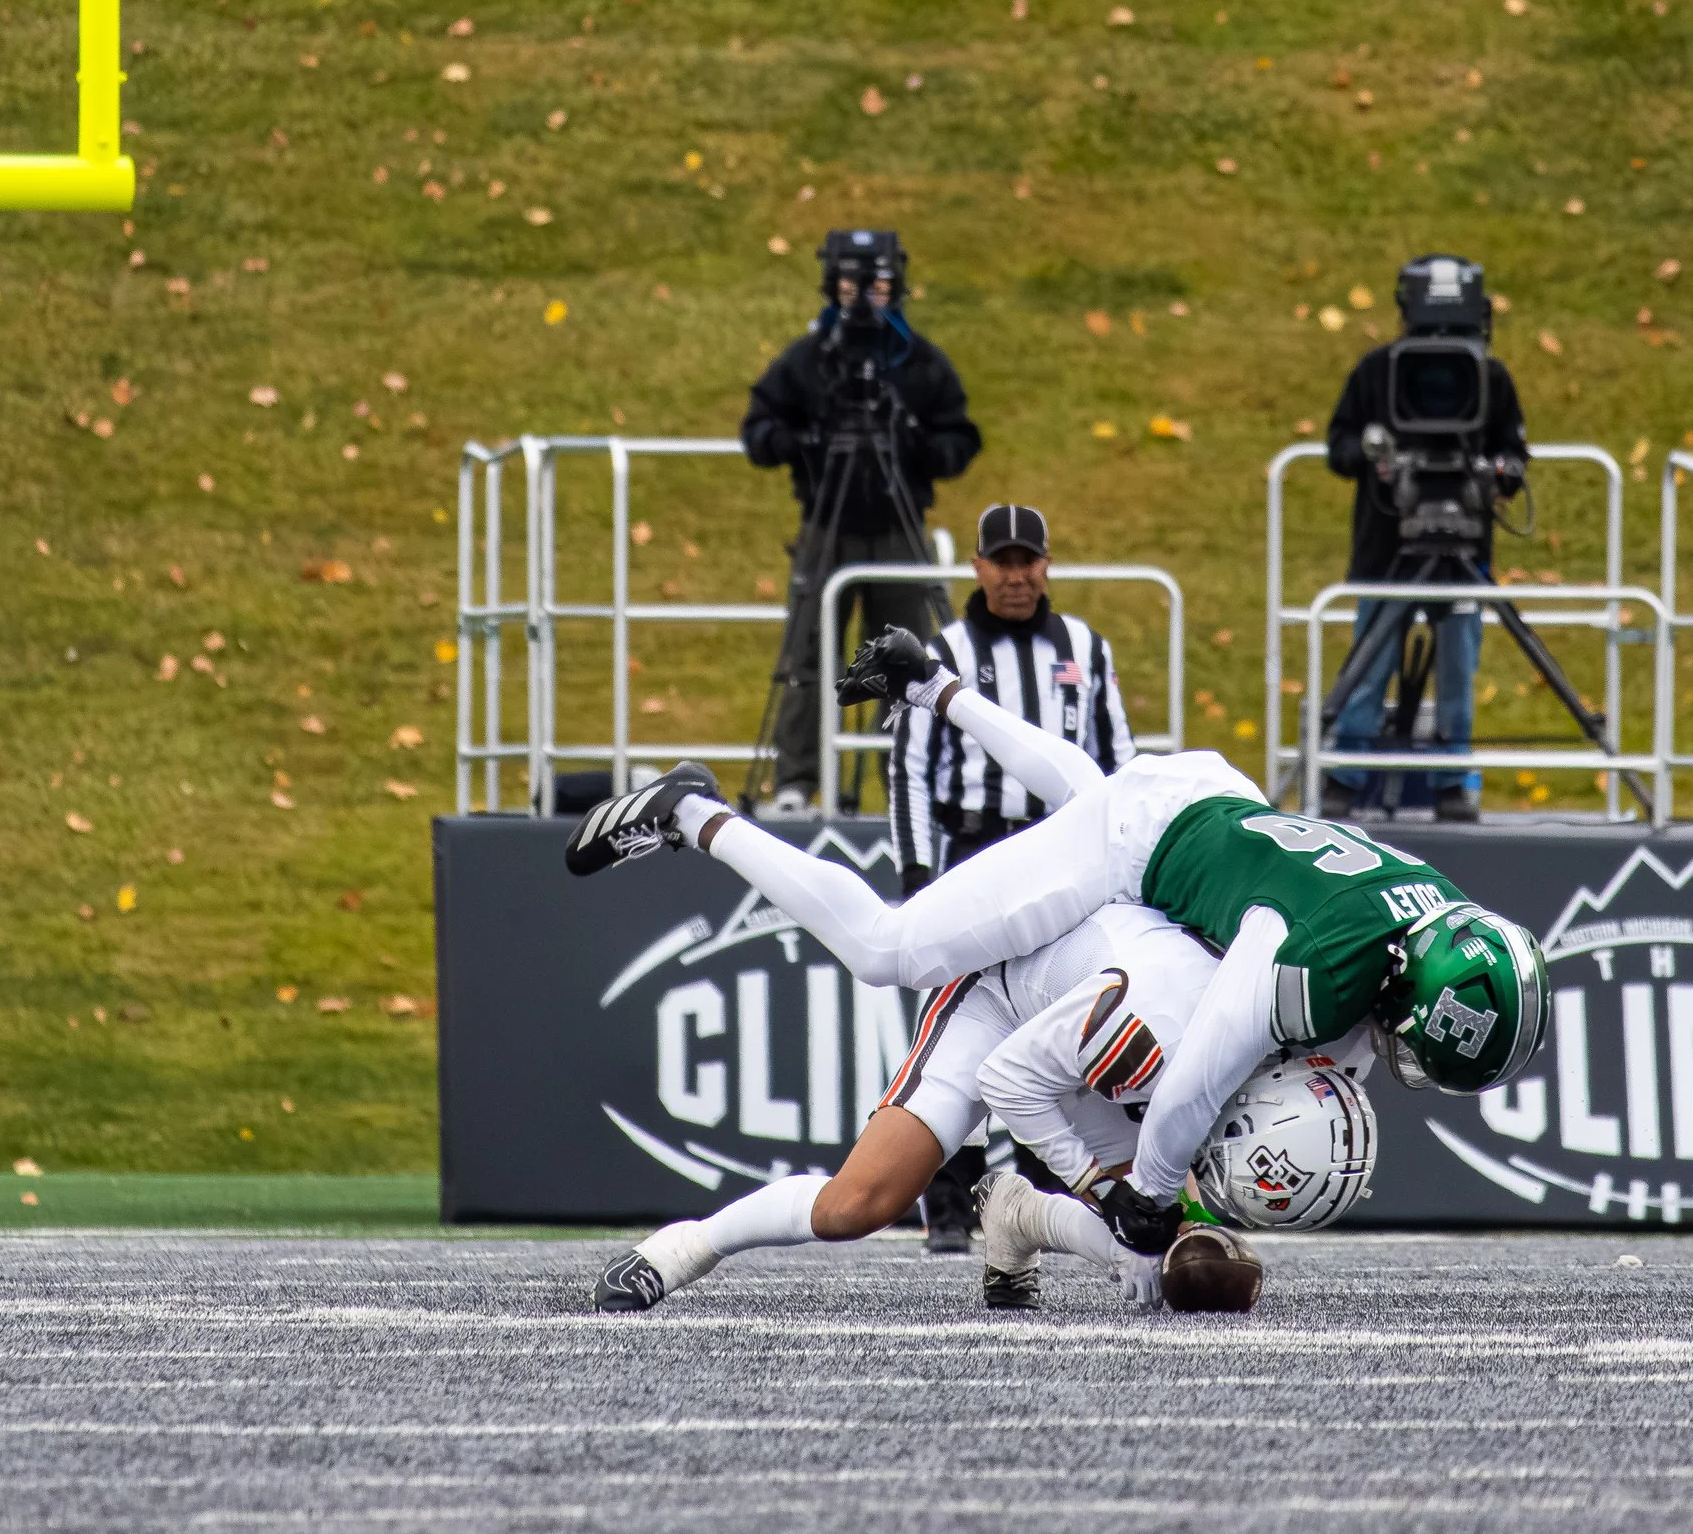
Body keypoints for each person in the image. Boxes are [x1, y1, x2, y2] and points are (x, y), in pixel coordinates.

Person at [565, 626, 1547, 1256]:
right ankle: (693, 812)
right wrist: (1148, 1193)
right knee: (884, 948)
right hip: (1140, 843)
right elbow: (1203, 1071)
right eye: (1414, 1041)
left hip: (1208, 806)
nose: (1400, 1058)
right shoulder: (1313, 961)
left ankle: (934, 686)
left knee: (1096, 791)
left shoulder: (1432, 917)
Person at [590, 896, 1201, 1315]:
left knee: (1164, 1248)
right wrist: (1101, 1187)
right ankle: (690, 1246)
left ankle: (1021, 1216)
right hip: (1003, 998)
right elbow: (1010, 1080)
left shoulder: (1231, 1023)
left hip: (1100, 1025)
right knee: (856, 1204)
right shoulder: (1215, 1023)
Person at [891, 502, 1137, 1250]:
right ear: (978, 567)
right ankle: (948, 1203)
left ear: (1046, 564)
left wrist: (1127, 860)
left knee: (1060, 1018)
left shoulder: (1086, 647)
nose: (1016, 575)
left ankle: (1040, 1196)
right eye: (1002, 561)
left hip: (1064, 855)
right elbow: (909, 768)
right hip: (975, 849)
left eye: (1028, 560)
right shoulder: (946, 650)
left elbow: (1118, 758)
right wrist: (917, 871)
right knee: (953, 1025)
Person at [741, 229, 981, 818]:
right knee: (807, 653)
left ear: (897, 285)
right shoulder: (809, 358)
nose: (865, 297)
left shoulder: (919, 362)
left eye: (878, 283)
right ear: (832, 284)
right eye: (852, 283)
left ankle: (904, 780)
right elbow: (758, 430)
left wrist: (911, 440)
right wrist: (804, 441)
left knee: (907, 659)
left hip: (899, 528)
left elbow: (960, 440)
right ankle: (794, 783)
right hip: (825, 526)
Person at [1321, 255, 1530, 824]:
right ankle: (1344, 775)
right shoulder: (1376, 373)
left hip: (1463, 552)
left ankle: (1451, 782)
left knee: (1457, 669)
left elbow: (1514, 456)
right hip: (1385, 551)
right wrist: (1374, 458)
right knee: (1369, 666)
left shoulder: (1490, 378)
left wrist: (1496, 472)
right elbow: (1338, 448)